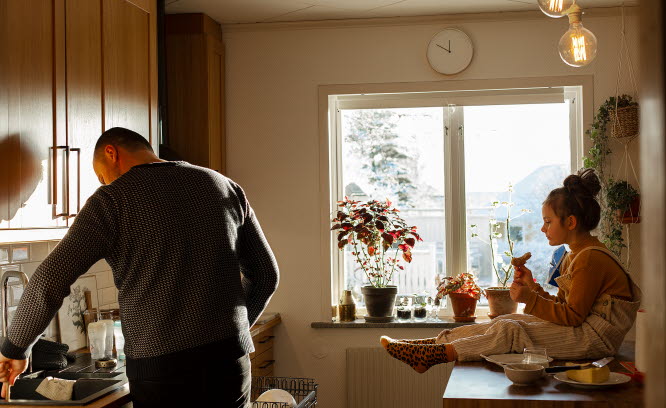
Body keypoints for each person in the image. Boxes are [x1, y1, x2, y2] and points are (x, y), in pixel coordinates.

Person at [0, 127, 279, 407]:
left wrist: (15, 348)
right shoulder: (223, 186)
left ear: (112, 153)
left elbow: (49, 278)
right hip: (230, 363)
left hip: (162, 372)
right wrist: (234, 331)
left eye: (101, 175)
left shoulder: (112, 200)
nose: (103, 182)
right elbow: (266, 275)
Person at [380, 168, 641, 373]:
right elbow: (565, 309)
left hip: (596, 341)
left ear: (570, 222)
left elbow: (571, 317)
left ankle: (434, 355)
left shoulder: (590, 259)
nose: (543, 228)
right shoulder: (577, 255)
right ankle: (431, 346)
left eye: (548, 222)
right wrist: (533, 289)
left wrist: (530, 299)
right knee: (504, 321)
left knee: (510, 331)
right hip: (584, 330)